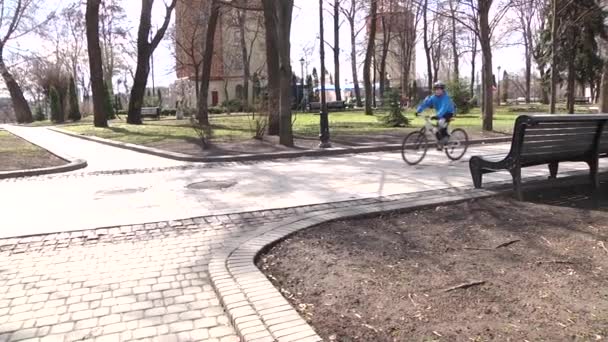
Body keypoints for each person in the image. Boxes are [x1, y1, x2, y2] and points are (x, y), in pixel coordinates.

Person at [415, 81, 456, 149]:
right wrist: (418, 110)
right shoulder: (433, 97)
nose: (438, 91)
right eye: (436, 89)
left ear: (443, 90)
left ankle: (447, 140)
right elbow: (425, 103)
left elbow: (444, 108)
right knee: (434, 128)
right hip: (440, 113)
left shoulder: (445, 98)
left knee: (441, 124)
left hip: (448, 113)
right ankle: (441, 142)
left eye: (439, 89)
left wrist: (437, 115)